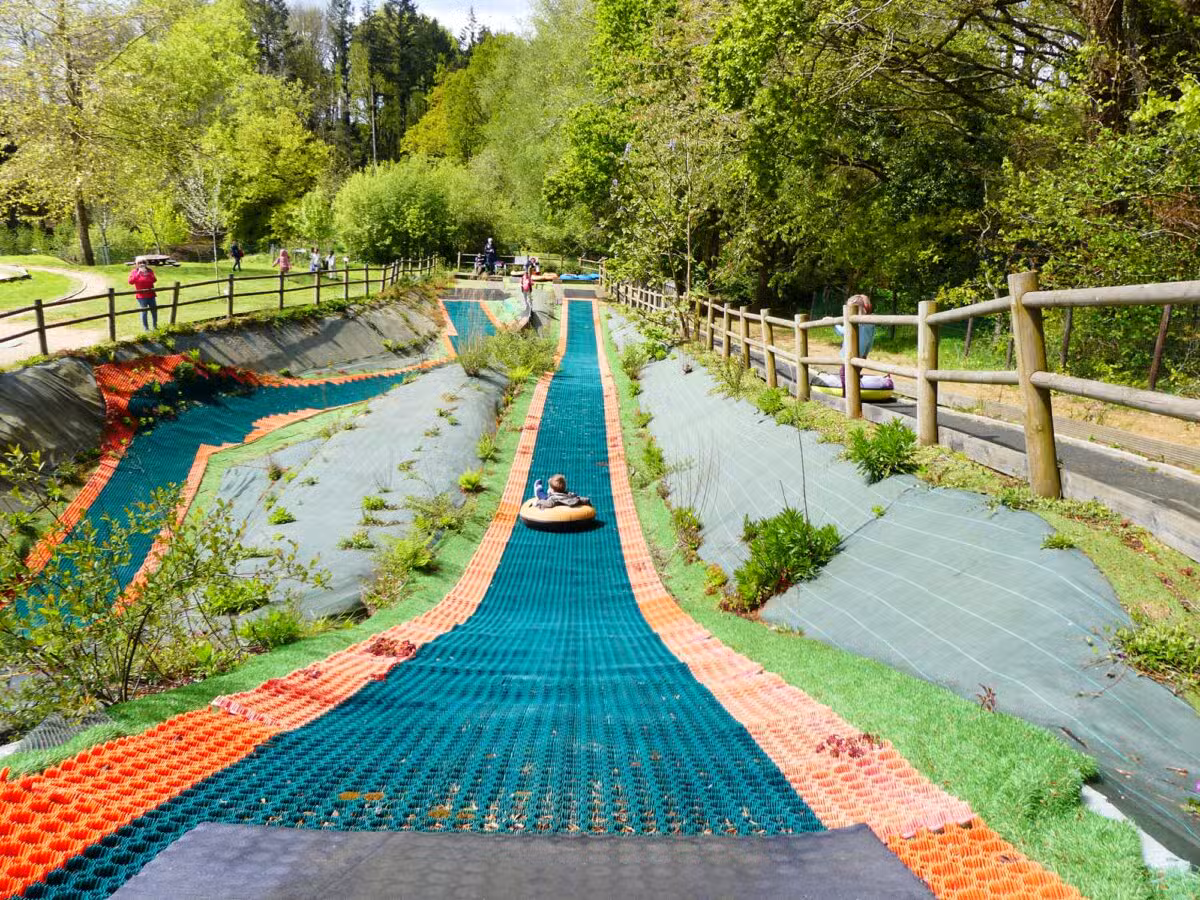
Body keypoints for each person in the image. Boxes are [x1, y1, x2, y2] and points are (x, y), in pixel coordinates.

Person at [128, 261, 158, 332]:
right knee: (144, 312)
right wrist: (138, 273)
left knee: (154, 311)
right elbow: (131, 282)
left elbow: (154, 280)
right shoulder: (134, 272)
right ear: (137, 264)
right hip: (141, 296)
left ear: (146, 264)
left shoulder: (149, 270)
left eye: (143, 263)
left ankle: (155, 327)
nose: (142, 264)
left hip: (151, 294)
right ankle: (146, 329)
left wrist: (147, 274)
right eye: (139, 263)